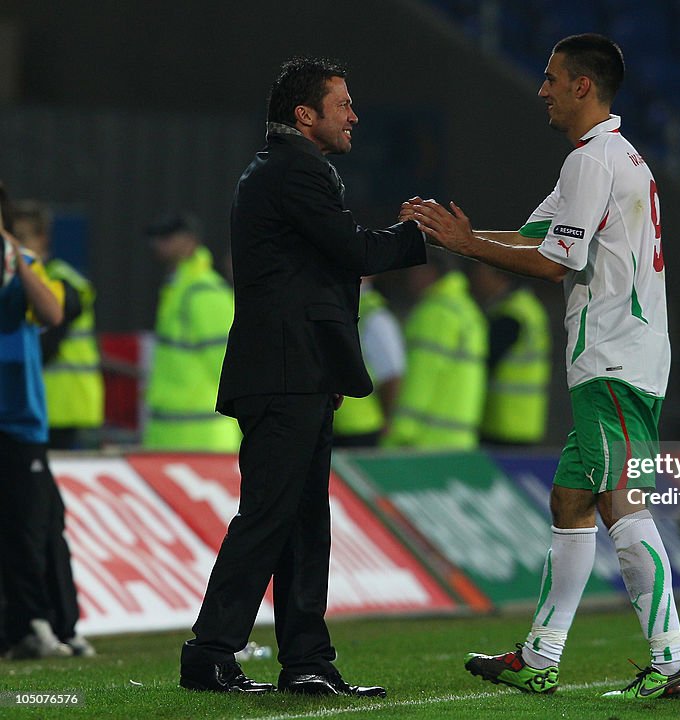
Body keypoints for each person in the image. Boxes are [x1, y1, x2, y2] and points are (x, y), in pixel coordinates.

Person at [411, 34, 680, 700]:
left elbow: (551, 263)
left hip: (614, 359)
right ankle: (540, 656)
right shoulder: (607, 160)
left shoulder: (592, 163)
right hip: (622, 356)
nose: (540, 89)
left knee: (623, 501)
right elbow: (536, 238)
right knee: (571, 497)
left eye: (550, 78)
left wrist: (467, 245)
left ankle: (670, 660)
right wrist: (464, 237)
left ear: (581, 87)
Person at [178, 56, 426, 696]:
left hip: (299, 373)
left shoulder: (287, 172)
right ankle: (211, 652)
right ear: (304, 116)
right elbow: (353, 254)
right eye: (342, 104)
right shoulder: (295, 173)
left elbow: (319, 274)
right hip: (286, 375)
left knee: (300, 521)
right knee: (271, 516)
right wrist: (421, 233)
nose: (354, 115)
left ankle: (307, 662)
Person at [0, 187, 93, 659]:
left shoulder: (35, 272)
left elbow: (55, 314)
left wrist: (17, 255)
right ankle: (32, 627)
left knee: (39, 525)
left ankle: (51, 624)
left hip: (25, 420)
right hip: (27, 419)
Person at [10, 200, 104, 450]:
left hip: (68, 412)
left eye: (21, 237)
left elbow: (47, 345)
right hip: (37, 409)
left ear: (42, 239)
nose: (15, 246)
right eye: (11, 238)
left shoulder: (64, 282)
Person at [143, 211, 240, 452]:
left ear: (189, 241)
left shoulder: (203, 292)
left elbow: (227, 365)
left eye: (167, 237)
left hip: (201, 438)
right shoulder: (180, 288)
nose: (157, 243)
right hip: (175, 434)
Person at [382, 254, 487, 449]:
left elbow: (422, 376)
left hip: (424, 441)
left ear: (429, 272)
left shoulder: (435, 312)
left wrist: (400, 432)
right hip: (459, 439)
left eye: (413, 272)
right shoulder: (466, 309)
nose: (409, 279)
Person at [473, 263, 551, 446]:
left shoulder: (511, 313)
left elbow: (486, 361)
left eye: (482, 274)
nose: (476, 280)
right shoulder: (529, 306)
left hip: (502, 422)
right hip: (525, 421)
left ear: (500, 276)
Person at [331, 278, 404, 447]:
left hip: (358, 430)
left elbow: (392, 377)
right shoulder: (341, 304)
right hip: (337, 423)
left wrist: (388, 419)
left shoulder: (373, 315)